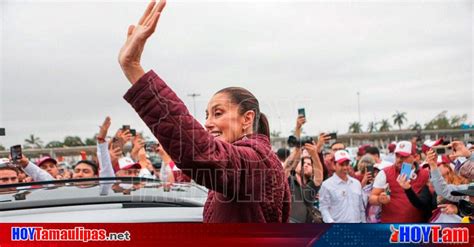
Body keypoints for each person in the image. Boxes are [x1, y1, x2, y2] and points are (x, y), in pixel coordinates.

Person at [118, 0, 290, 223]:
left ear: (247, 118)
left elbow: (201, 153)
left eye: (218, 113)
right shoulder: (250, 160)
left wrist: (133, 67)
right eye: (206, 115)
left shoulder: (256, 160)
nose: (208, 123)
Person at [369, 141, 430, 223]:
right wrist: (379, 199)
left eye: (403, 157)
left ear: (415, 157)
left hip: (415, 228)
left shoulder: (425, 174)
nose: (399, 160)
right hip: (392, 227)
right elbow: (372, 198)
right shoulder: (385, 173)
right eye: (397, 156)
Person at [319, 150, 366, 223]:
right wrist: (330, 222)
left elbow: (361, 208)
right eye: (341, 164)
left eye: (347, 164)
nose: (345, 167)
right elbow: (323, 208)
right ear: (334, 165)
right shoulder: (326, 185)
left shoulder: (356, 184)